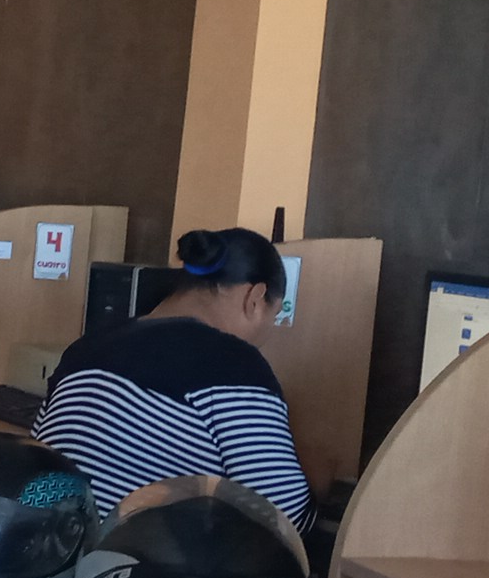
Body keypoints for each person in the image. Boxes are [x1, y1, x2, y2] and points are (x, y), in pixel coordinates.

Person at [34, 226, 314, 530]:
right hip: (129, 554)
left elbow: (39, 450)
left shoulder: (87, 346)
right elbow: (284, 521)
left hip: (53, 546)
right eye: (274, 316)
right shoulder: (234, 366)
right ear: (255, 298)